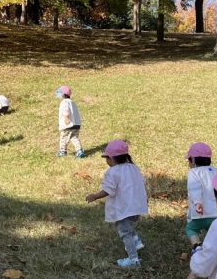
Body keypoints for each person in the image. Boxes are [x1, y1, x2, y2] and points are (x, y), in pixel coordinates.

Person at [85, 140, 148, 268]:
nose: (106, 161)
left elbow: (108, 190)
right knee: (128, 225)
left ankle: (133, 259)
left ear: (112, 158)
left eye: (106, 158)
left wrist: (94, 196)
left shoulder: (113, 172)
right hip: (137, 206)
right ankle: (136, 240)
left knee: (124, 232)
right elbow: (142, 183)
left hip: (124, 208)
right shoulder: (134, 168)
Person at [185, 142, 217, 248]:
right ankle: (216, 249)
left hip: (201, 214)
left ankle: (197, 247)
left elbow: (194, 189)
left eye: (189, 160)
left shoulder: (194, 172)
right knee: (214, 232)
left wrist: (198, 203)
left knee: (191, 229)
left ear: (193, 160)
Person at [56, 85, 84, 158]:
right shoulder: (72, 102)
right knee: (74, 137)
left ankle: (62, 151)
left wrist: (66, 118)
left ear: (63, 94)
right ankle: (79, 150)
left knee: (64, 138)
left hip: (68, 125)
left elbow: (66, 110)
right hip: (76, 124)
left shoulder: (64, 102)